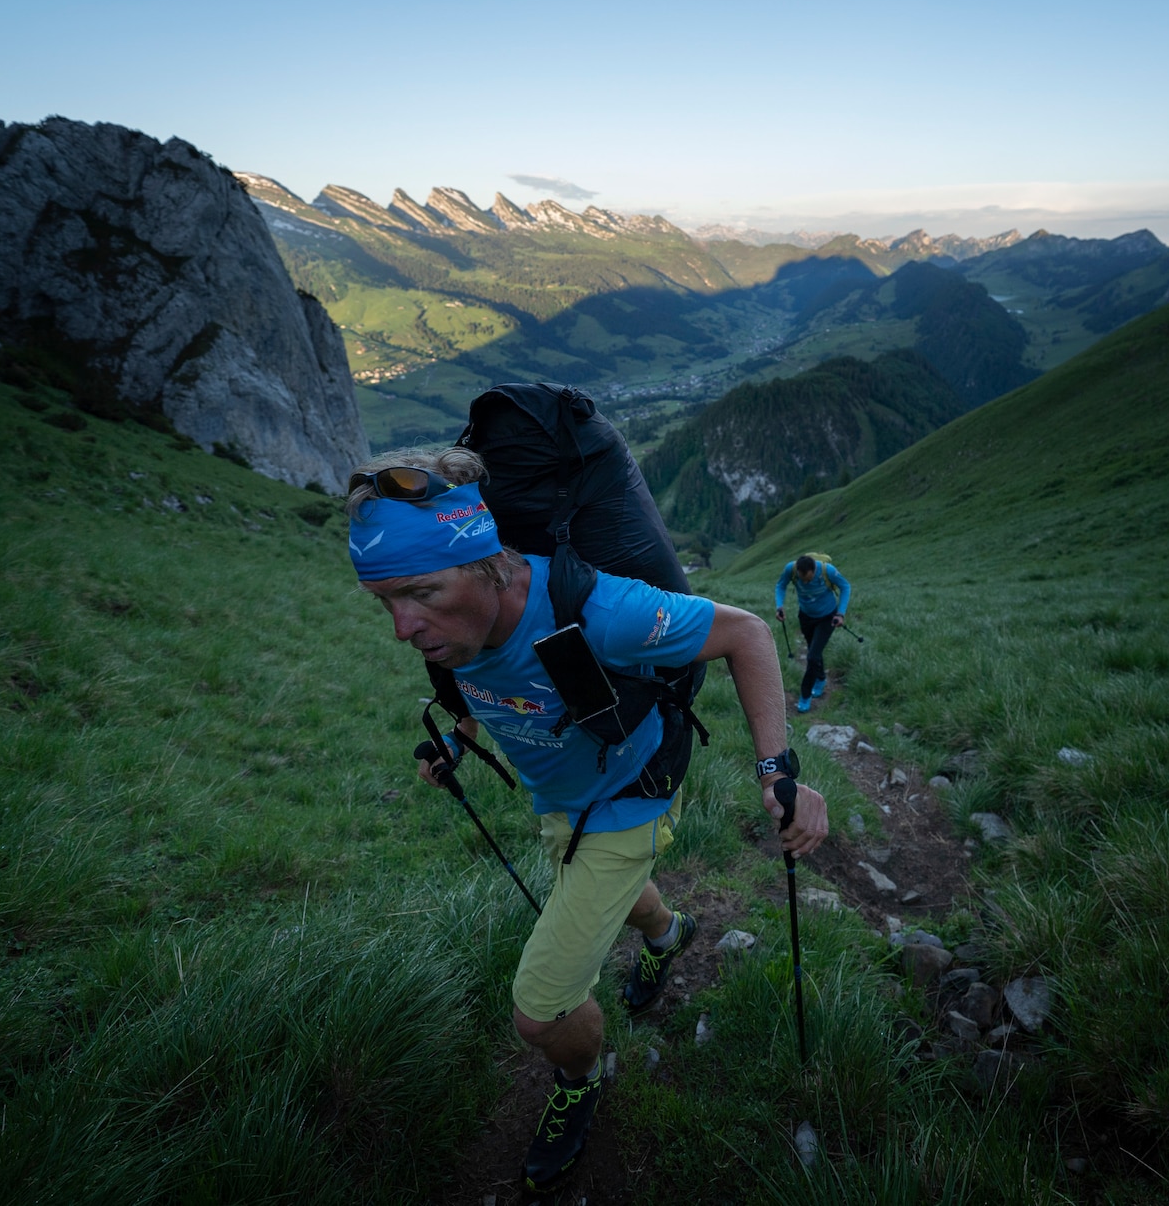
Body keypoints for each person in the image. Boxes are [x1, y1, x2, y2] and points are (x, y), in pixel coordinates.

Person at [346, 448, 828, 1194]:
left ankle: (579, 1075)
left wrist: (777, 771)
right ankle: (671, 933)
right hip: (559, 801)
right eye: (385, 601)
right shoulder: (458, 625)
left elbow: (747, 635)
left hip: (628, 795)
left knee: (540, 1010)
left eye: (421, 593)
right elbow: (471, 684)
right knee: (602, 891)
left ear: (488, 565)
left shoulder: (600, 610)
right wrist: (457, 744)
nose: (403, 626)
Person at [774, 553, 851, 714]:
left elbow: (845, 587)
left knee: (813, 656)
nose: (805, 582)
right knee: (813, 650)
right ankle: (821, 678)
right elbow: (781, 585)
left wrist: (841, 614)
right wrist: (779, 606)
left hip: (828, 617)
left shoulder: (827, 571)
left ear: (813, 569)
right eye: (802, 579)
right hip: (806, 617)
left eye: (808, 578)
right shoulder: (791, 569)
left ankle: (805, 695)